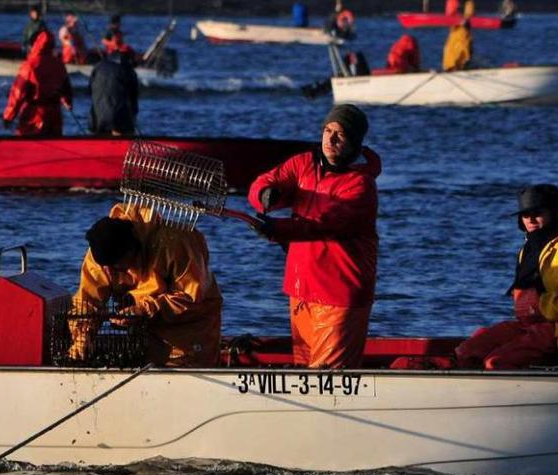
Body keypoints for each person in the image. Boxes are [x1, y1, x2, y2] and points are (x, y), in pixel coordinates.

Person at [247, 104, 381, 369]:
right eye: (327, 130)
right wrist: (265, 196)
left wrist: (278, 229)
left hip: (338, 298)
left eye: (340, 135)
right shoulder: (303, 164)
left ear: (354, 142)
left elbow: (324, 225)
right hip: (300, 292)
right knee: (302, 375)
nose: (330, 140)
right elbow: (263, 183)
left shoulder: (361, 185)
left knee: (326, 381)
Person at [454, 184, 558, 370]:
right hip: (530, 326)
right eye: (524, 214)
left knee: (496, 362)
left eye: (537, 212)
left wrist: (543, 305)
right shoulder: (529, 248)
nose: (530, 219)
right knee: (467, 352)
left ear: (553, 213)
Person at [69, 203, 223, 367]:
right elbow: (87, 301)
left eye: (118, 267)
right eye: (107, 267)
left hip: (191, 331)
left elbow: (192, 297)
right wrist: (82, 335)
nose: (111, 273)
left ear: (132, 250)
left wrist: (143, 310)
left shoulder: (176, 243)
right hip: (144, 335)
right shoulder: (100, 256)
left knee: (186, 375)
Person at [2, 29, 73, 136]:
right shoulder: (59, 64)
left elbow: (18, 92)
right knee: (54, 149)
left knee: (28, 149)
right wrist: (68, 103)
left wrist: (8, 116)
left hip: (34, 115)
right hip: (55, 115)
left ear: (35, 44)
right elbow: (66, 89)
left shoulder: (30, 65)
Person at [89, 51, 139, 136]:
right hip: (119, 119)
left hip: (96, 118)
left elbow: (90, 90)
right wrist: (133, 117)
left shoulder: (97, 67)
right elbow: (133, 95)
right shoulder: (127, 69)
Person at [442, 3, 474, 71]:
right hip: (457, 34)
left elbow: (468, 16)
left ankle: (457, 66)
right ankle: (453, 67)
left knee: (461, 50)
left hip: (461, 34)